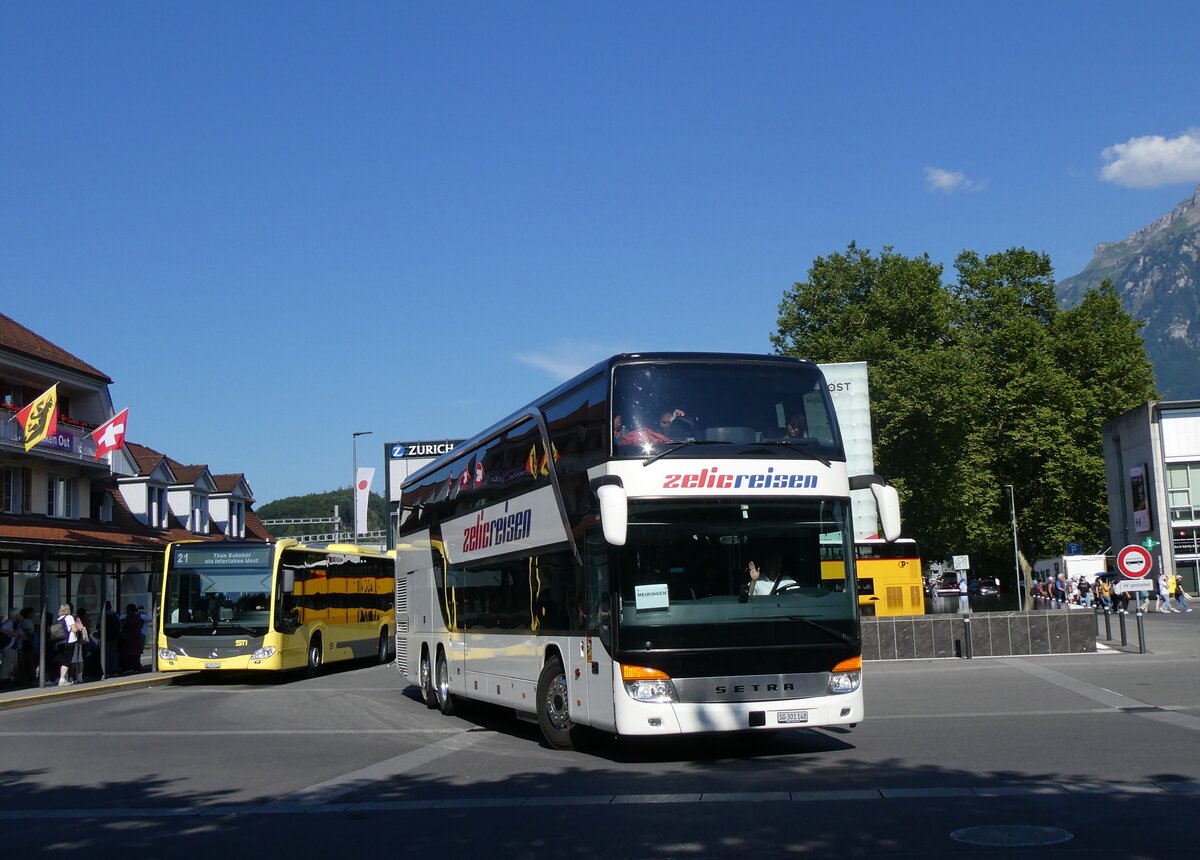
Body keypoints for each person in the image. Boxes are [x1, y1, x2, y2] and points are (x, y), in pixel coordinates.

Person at [54, 603, 77, 686]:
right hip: (69, 641)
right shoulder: (69, 617)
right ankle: (62, 679)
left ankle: (60, 678)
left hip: (60, 642)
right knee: (67, 661)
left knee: (61, 660)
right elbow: (74, 630)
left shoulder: (59, 619)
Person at [119, 603, 144, 673]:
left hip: (131, 637)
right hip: (138, 637)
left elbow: (126, 627)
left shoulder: (129, 617)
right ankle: (137, 666)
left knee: (129, 653)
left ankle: (130, 667)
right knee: (136, 654)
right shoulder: (138, 616)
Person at [0, 612, 18, 685]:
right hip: (8, 646)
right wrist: (12, 633)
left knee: (11, 662)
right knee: (7, 663)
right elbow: (2, 629)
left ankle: (7, 678)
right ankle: (4, 679)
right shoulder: (10, 622)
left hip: (10, 646)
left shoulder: (11, 622)